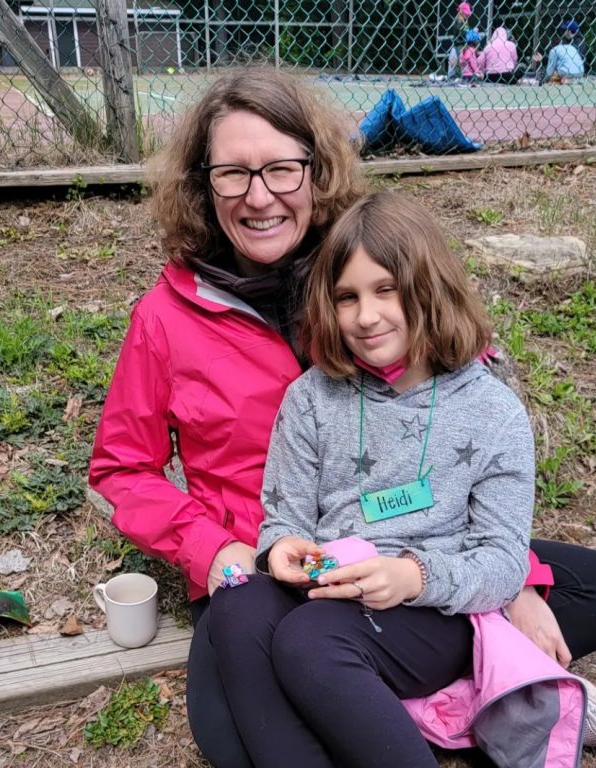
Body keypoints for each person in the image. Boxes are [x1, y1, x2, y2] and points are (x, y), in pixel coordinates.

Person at [88, 68, 596, 768]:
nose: (259, 196)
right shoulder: (165, 319)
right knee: (232, 740)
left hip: (406, 553)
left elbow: (463, 414)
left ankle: (453, 679)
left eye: (281, 169)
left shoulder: (366, 264)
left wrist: (517, 583)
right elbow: (120, 469)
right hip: (267, 567)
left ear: (316, 170)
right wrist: (213, 549)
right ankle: (454, 692)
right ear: (204, 184)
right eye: (233, 174)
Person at [208, 189, 542, 766]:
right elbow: (285, 518)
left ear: (430, 289)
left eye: (386, 290)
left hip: (430, 605)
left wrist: (412, 577)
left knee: (310, 640)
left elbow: (504, 563)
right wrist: (282, 547)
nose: (366, 316)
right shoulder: (311, 399)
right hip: (330, 588)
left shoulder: (492, 412)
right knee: (237, 607)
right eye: (347, 297)